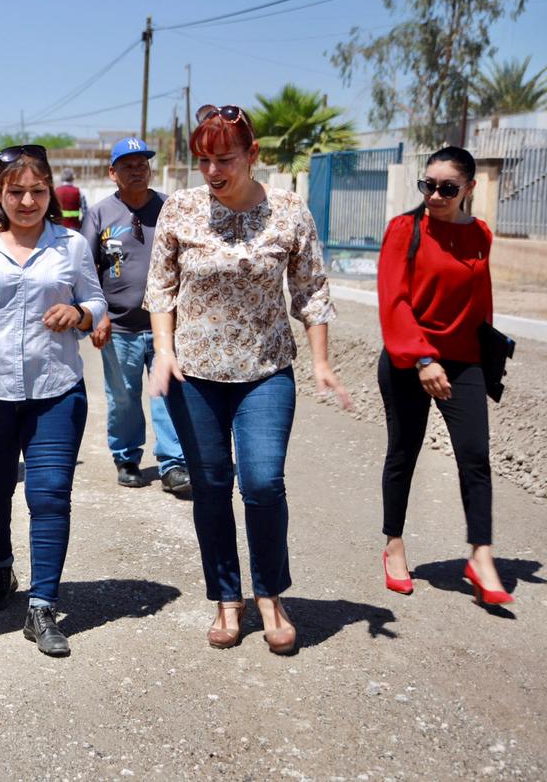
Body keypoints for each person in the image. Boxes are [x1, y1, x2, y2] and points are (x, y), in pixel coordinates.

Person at [146, 104, 350, 655]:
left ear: (253, 155)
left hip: (265, 372)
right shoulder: (181, 210)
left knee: (262, 483)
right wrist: (164, 351)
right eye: (205, 160)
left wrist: (322, 364)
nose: (213, 170)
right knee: (211, 487)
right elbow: (160, 289)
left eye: (225, 158)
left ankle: (271, 595)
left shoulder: (289, 212)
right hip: (195, 376)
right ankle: (226, 598)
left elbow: (310, 291)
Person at [0, 144, 106, 657]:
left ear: (49, 192)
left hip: (56, 390)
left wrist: (78, 313)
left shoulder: (72, 245)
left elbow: (97, 302)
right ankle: (0, 570)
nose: (28, 201)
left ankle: (43, 606)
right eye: (17, 191)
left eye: (37, 191)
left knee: (50, 495)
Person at [377, 146, 512, 606]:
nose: (435, 195)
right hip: (408, 359)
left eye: (447, 188)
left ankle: (482, 554)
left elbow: (480, 301)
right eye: (428, 185)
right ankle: (393, 545)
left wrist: (489, 359)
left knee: (475, 455)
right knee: (404, 453)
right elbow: (393, 300)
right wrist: (422, 359)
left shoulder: (481, 235)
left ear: (469, 189)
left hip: (463, 361)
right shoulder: (404, 230)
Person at [81, 137, 190, 495]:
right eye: (128, 164)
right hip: (120, 325)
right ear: (113, 173)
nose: (137, 169)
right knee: (124, 396)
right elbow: (85, 269)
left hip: (166, 325)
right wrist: (98, 314)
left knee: (167, 393)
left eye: (142, 163)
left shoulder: (170, 208)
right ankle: (126, 457)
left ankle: (173, 463)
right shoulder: (99, 214)